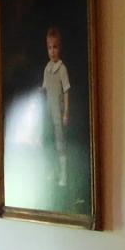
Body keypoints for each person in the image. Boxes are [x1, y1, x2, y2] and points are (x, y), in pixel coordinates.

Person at [40, 26, 71, 190]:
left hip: (58, 113)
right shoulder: (47, 69)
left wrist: (66, 112)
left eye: (55, 47)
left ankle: (63, 174)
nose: (52, 51)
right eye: (49, 47)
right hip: (48, 112)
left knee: (60, 142)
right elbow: (45, 88)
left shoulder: (62, 69)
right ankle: (52, 171)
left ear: (60, 47)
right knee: (49, 142)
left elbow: (66, 91)